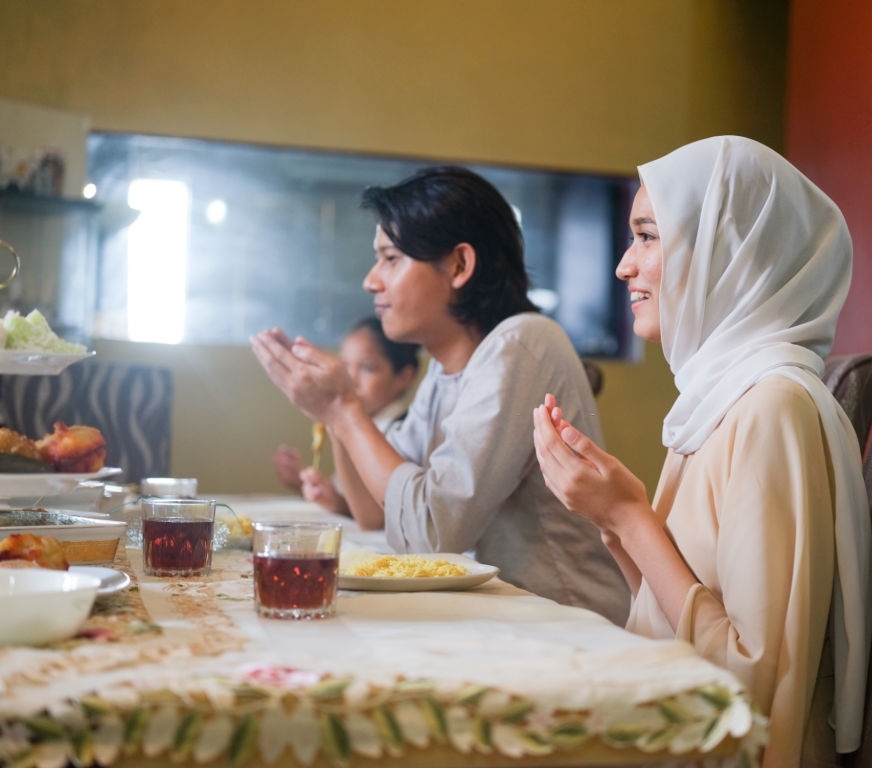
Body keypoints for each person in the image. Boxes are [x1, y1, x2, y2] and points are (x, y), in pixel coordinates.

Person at [532, 136, 872, 766]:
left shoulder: (772, 408)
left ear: (730, 248)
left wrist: (632, 517)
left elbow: (751, 687)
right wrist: (613, 521)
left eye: (649, 236)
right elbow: (676, 620)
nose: (624, 266)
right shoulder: (717, 400)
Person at [251, 166, 630, 624]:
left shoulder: (522, 343)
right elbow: (375, 512)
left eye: (391, 258)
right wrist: (336, 414)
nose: (372, 280)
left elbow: (429, 533)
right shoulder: (444, 368)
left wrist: (344, 409)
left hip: (563, 623)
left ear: (458, 265)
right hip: (500, 618)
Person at [272, 315, 420, 513]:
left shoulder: (404, 432)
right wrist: (304, 485)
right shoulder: (361, 423)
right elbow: (350, 498)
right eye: (345, 367)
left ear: (404, 376)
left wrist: (339, 504)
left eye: (368, 368)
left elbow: (381, 515)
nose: (351, 380)